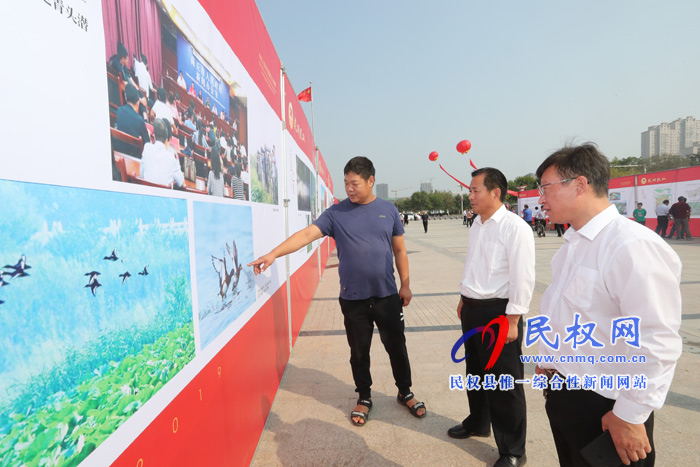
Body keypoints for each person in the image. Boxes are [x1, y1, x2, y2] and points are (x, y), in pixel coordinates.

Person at [248, 156, 426, 427]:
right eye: (346, 184)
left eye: (354, 183)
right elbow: (307, 235)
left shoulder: (388, 210)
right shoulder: (336, 214)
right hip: (353, 299)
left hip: (387, 296)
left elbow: (399, 250)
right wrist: (274, 254)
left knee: (397, 348)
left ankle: (405, 392)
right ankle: (364, 397)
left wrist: (406, 284)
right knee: (358, 353)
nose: (350, 189)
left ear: (370, 181)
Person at [534, 143, 682, 467]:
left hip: (606, 407)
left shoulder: (630, 245)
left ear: (580, 185)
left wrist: (630, 415)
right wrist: (551, 358)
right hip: (566, 395)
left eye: (545, 188)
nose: (540, 199)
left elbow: (657, 339)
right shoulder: (572, 246)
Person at [448, 167, 535, 467]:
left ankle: (513, 450)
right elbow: (474, 263)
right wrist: (464, 296)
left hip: (499, 313)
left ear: (495, 193)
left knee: (504, 381)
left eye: (475, 190)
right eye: (470, 191)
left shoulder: (515, 228)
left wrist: (513, 319)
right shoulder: (477, 224)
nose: (470, 196)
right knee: (475, 371)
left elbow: (523, 276)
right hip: (472, 309)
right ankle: (478, 422)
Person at [140, 118, 184, 188]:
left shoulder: (147, 148)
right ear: (166, 140)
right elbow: (181, 182)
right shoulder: (171, 157)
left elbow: (142, 174)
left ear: (154, 137)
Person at [115, 84, 151, 158]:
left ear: (126, 98)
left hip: (119, 155)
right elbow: (147, 144)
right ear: (138, 102)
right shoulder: (139, 120)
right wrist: (148, 134)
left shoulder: (119, 111)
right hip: (134, 159)